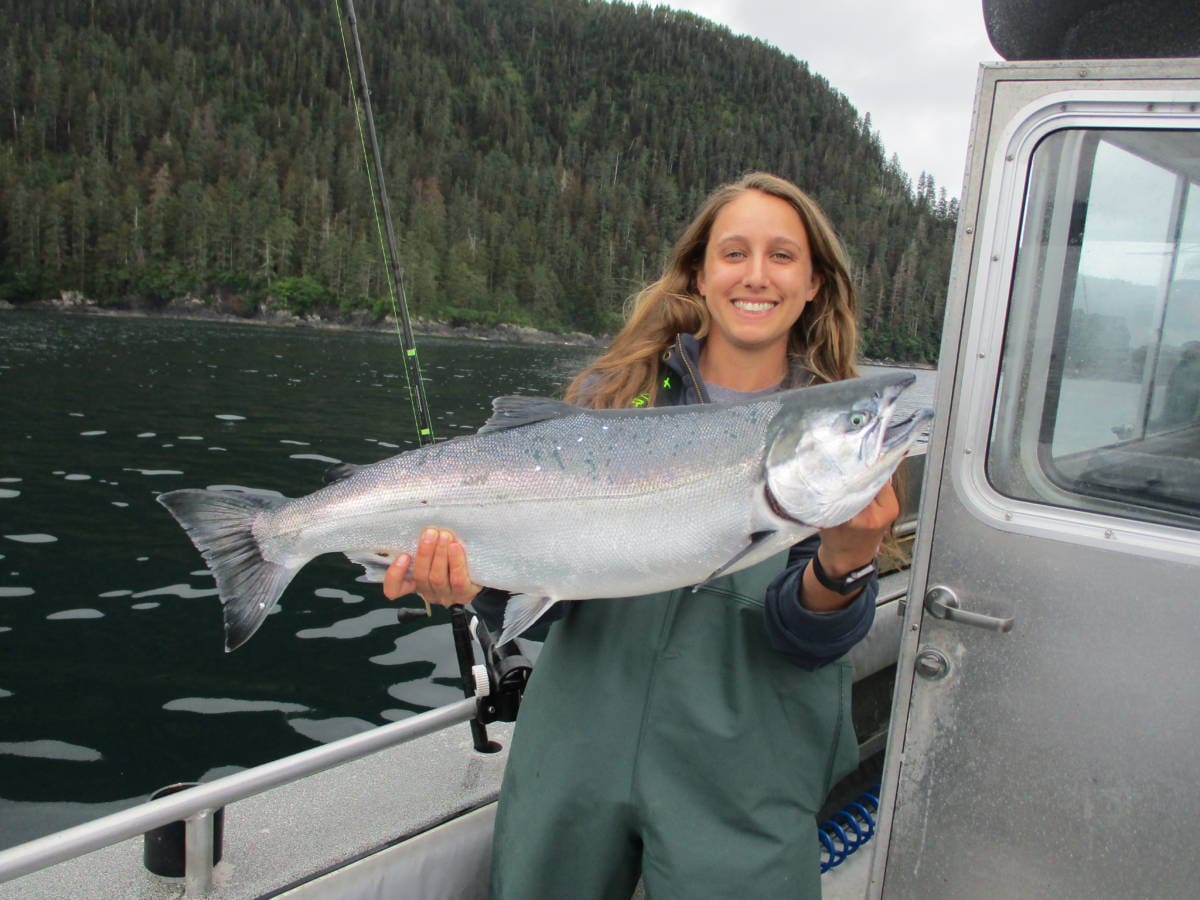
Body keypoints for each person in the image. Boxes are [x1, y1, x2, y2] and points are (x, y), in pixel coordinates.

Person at [383, 172, 899, 899]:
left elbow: (801, 637)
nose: (757, 275)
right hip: (574, 754)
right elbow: (551, 600)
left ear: (815, 282)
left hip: (744, 771)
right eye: (734, 253)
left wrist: (846, 563)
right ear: (699, 273)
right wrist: (479, 584)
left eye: (783, 256)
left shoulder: (829, 443)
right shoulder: (614, 400)